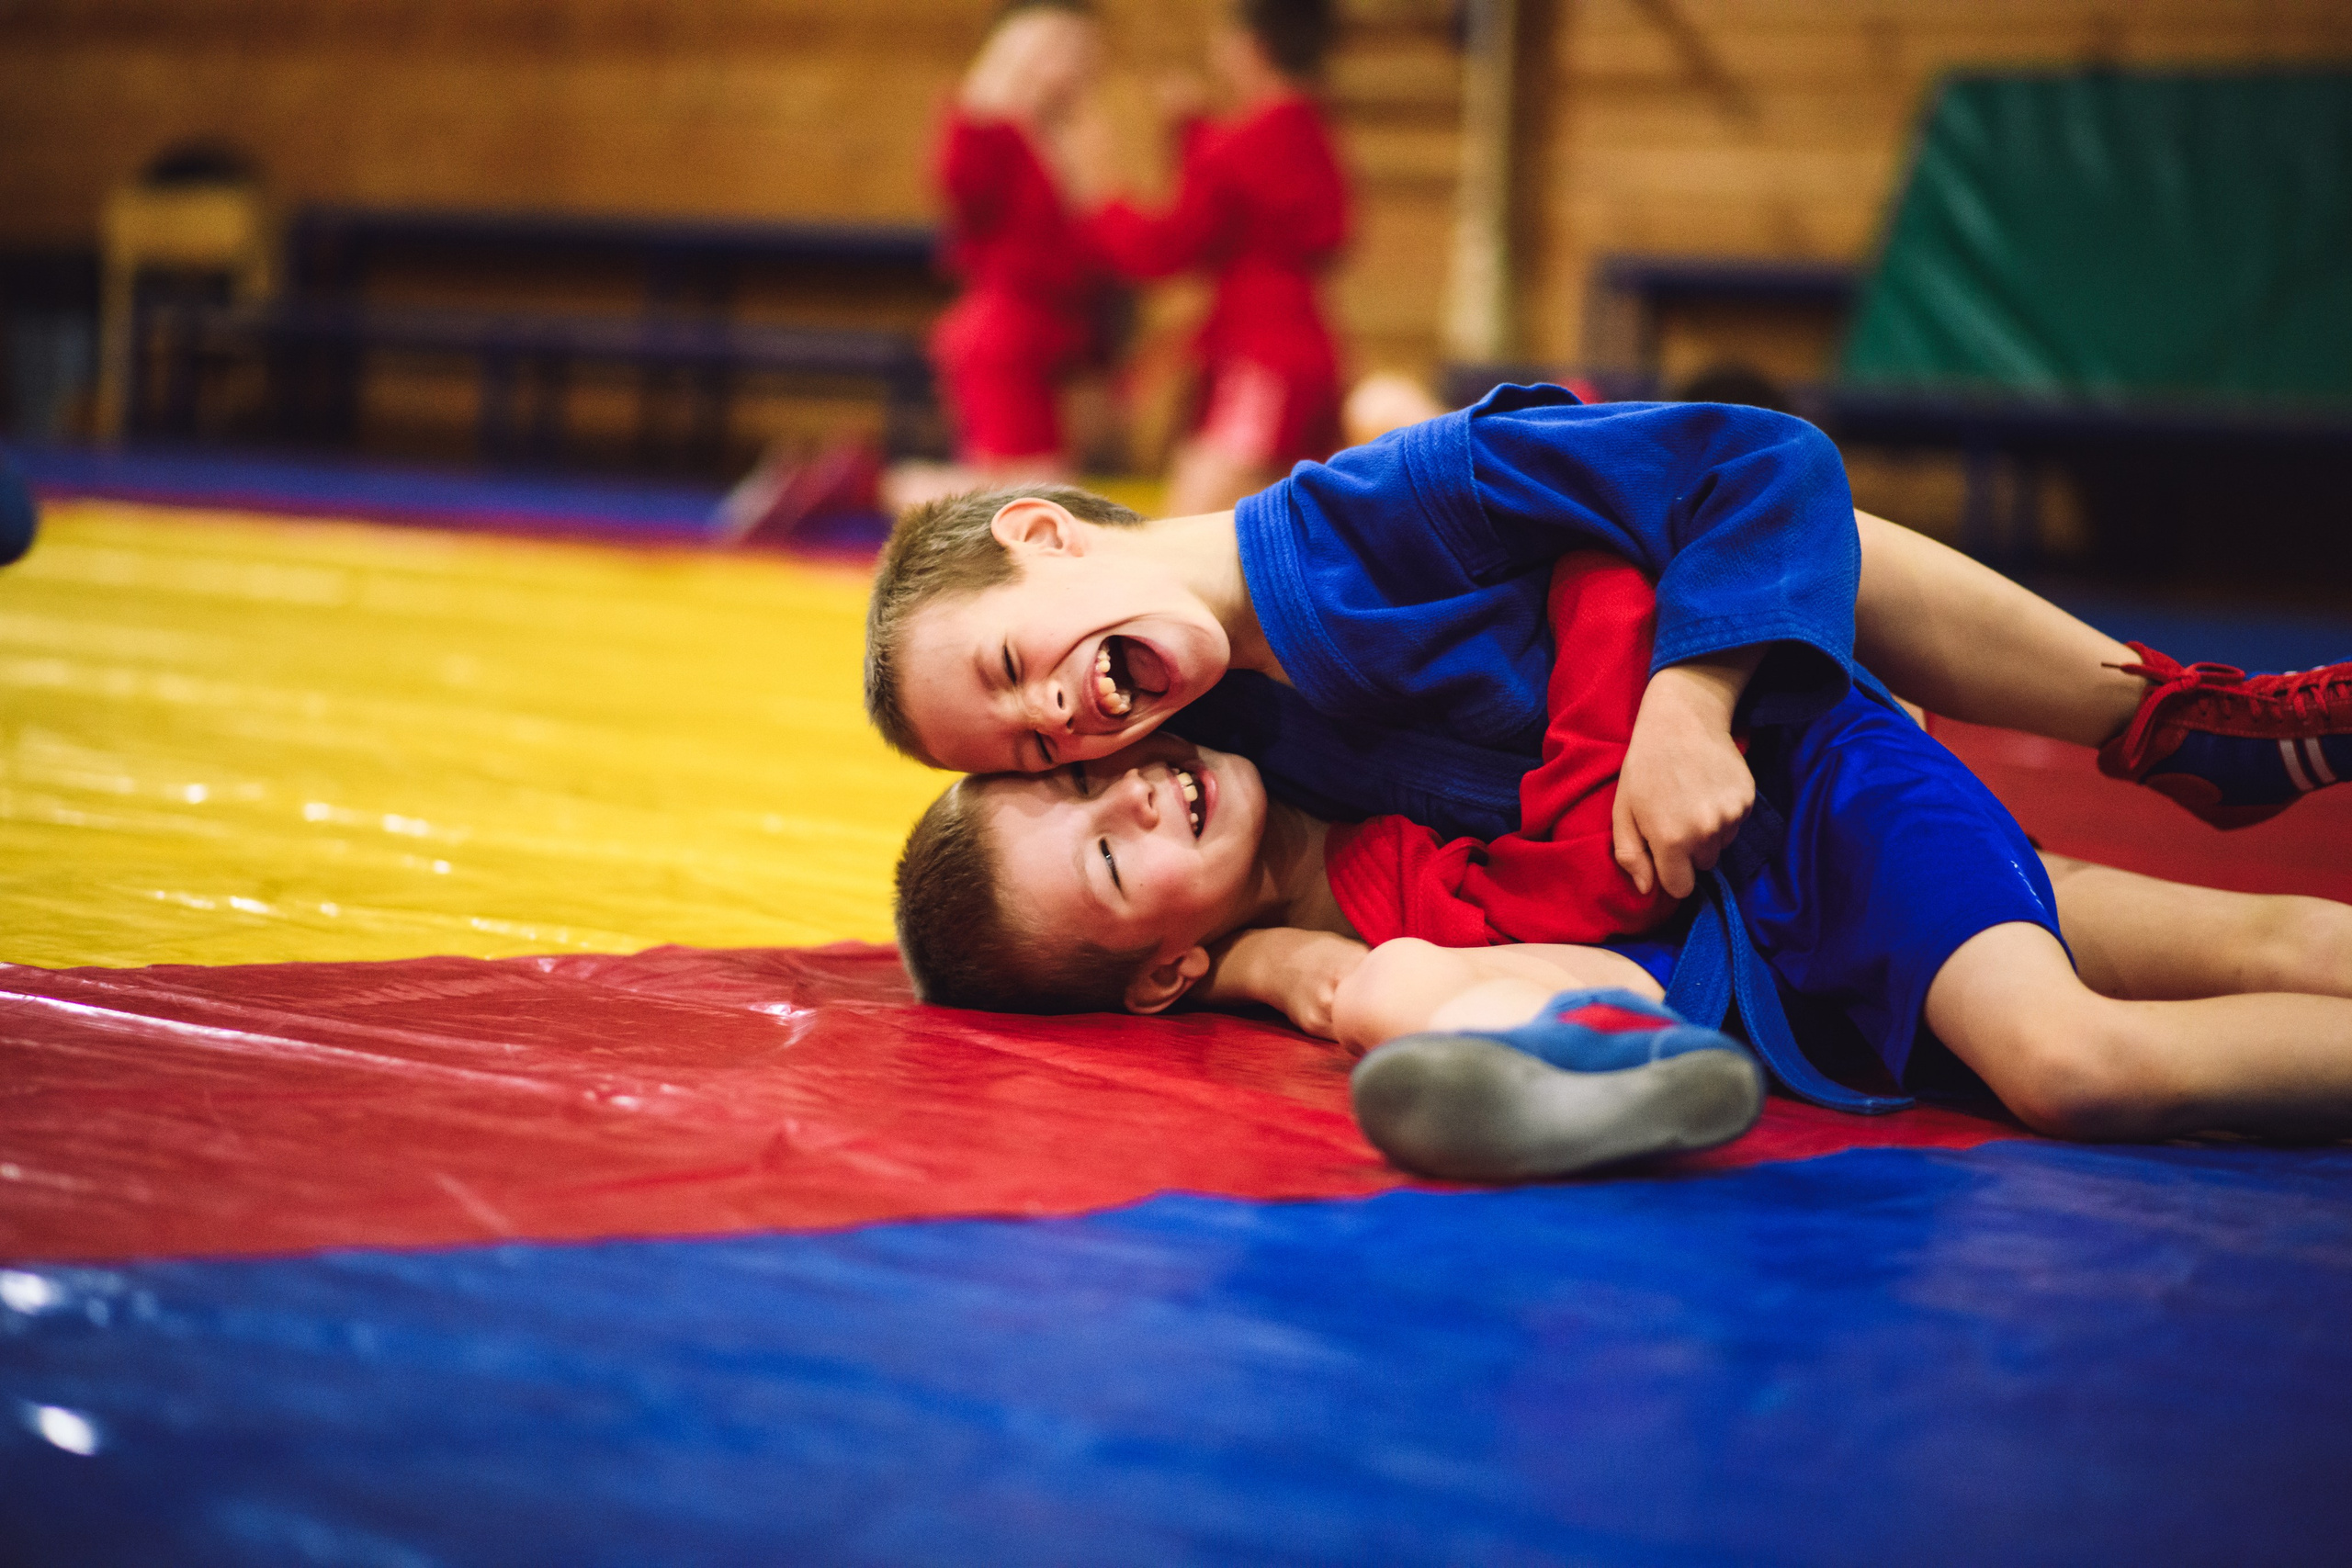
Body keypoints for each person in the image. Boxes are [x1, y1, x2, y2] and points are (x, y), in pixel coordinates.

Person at [891, 554, 2352, 1178]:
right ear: (1159, 968)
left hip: (1805, 806)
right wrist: (1274, 963)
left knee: (2072, 1061)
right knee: (2259, 947)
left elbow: (1606, 535)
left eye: (1093, 774)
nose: (1139, 787)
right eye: (1105, 846)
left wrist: (1706, 697)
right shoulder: (1305, 947)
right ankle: (1594, 1055)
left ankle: (2163, 708)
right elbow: (1379, 972)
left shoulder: (1307, 699)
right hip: (1789, 958)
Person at [1082, 0, 1349, 516]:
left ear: (1252, 49)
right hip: (1308, 350)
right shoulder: (1313, 130)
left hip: (1259, 359)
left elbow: (1163, 249)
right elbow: (1264, 210)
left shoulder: (1241, 142)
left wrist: (1102, 197)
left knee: (1189, 527)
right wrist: (1195, 133)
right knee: (1285, 531)